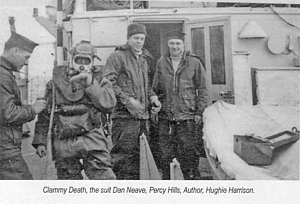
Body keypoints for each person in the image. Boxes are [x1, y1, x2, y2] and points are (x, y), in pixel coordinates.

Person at [32, 41, 116, 180]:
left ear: (93, 61)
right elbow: (46, 113)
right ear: (72, 59)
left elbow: (109, 104)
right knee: (69, 184)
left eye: (86, 60)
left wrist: (91, 85)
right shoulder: (56, 82)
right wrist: (40, 141)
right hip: (65, 142)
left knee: (104, 180)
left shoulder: (100, 80)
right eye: (79, 59)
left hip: (92, 140)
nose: (82, 63)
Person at [103, 23, 161, 180]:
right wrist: (127, 101)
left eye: (142, 38)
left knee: (141, 159)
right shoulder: (117, 57)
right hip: (124, 119)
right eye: (136, 38)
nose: (139, 41)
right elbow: (108, 83)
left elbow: (146, 86)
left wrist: (153, 98)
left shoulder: (144, 59)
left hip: (143, 118)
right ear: (128, 39)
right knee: (122, 159)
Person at [152, 30, 208, 180]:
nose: (174, 47)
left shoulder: (194, 62)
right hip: (166, 115)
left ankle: (189, 180)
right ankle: (168, 181)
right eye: (172, 43)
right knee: (165, 151)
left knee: (188, 150)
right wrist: (155, 101)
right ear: (167, 44)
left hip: (187, 115)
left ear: (183, 45)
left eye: (178, 43)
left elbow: (202, 89)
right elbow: (154, 88)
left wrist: (199, 112)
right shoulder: (161, 62)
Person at [0, 31, 46, 180]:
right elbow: (9, 113)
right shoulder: (2, 75)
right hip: (5, 150)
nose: (26, 62)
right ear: (15, 51)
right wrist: (33, 109)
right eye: (26, 57)